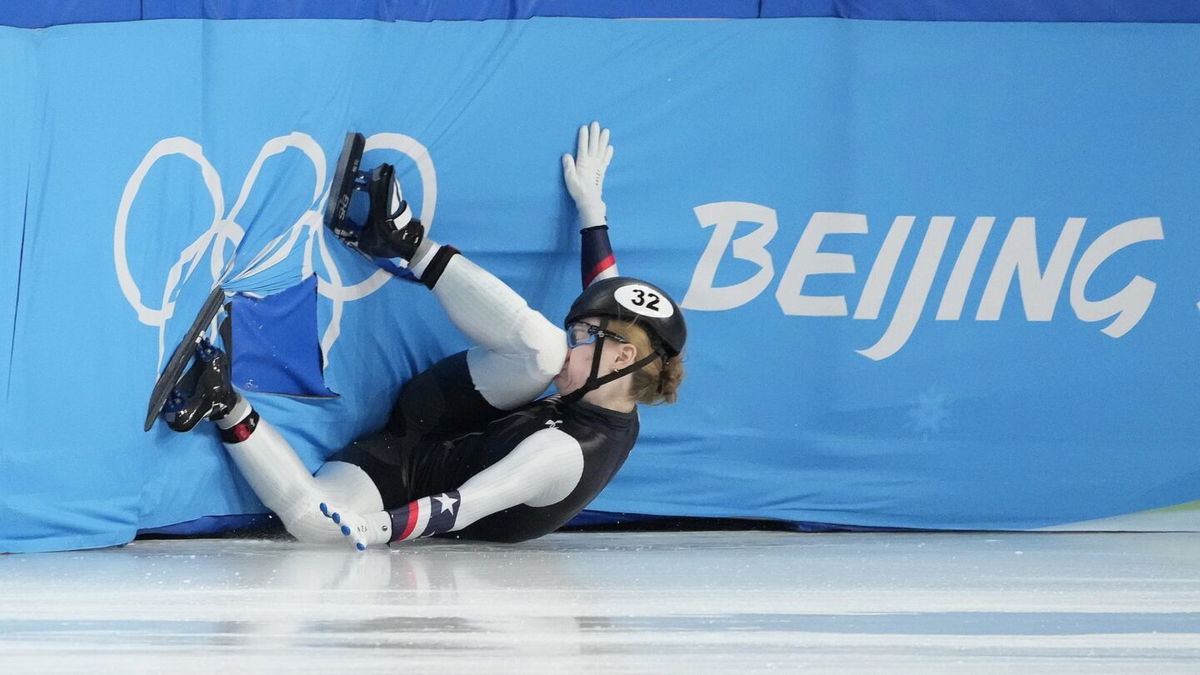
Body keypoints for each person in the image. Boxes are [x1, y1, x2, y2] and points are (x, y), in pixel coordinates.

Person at [163, 122, 686, 550]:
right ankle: (400, 237)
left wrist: (376, 528)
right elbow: (606, 293)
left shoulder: (564, 453)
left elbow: (463, 505)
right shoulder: (617, 371)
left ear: (619, 358)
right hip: (442, 413)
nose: (573, 344)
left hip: (409, 477)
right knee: (543, 349)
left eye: (584, 339)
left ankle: (222, 400)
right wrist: (594, 211)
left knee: (318, 525)